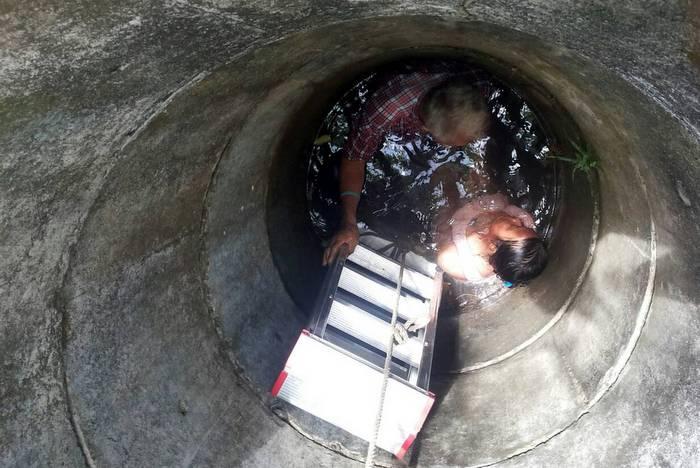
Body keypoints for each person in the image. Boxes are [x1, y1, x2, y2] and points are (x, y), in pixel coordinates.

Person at [322, 63, 491, 265]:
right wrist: (349, 221)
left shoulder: (478, 87)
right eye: (451, 144)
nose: (452, 149)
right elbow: (354, 159)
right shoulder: (385, 113)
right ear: (427, 128)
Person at [436, 193, 548, 286]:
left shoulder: (459, 261)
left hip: (453, 228)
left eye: (515, 227)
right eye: (523, 226)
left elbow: (442, 258)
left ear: (492, 246)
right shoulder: (521, 228)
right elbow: (509, 208)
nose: (517, 220)